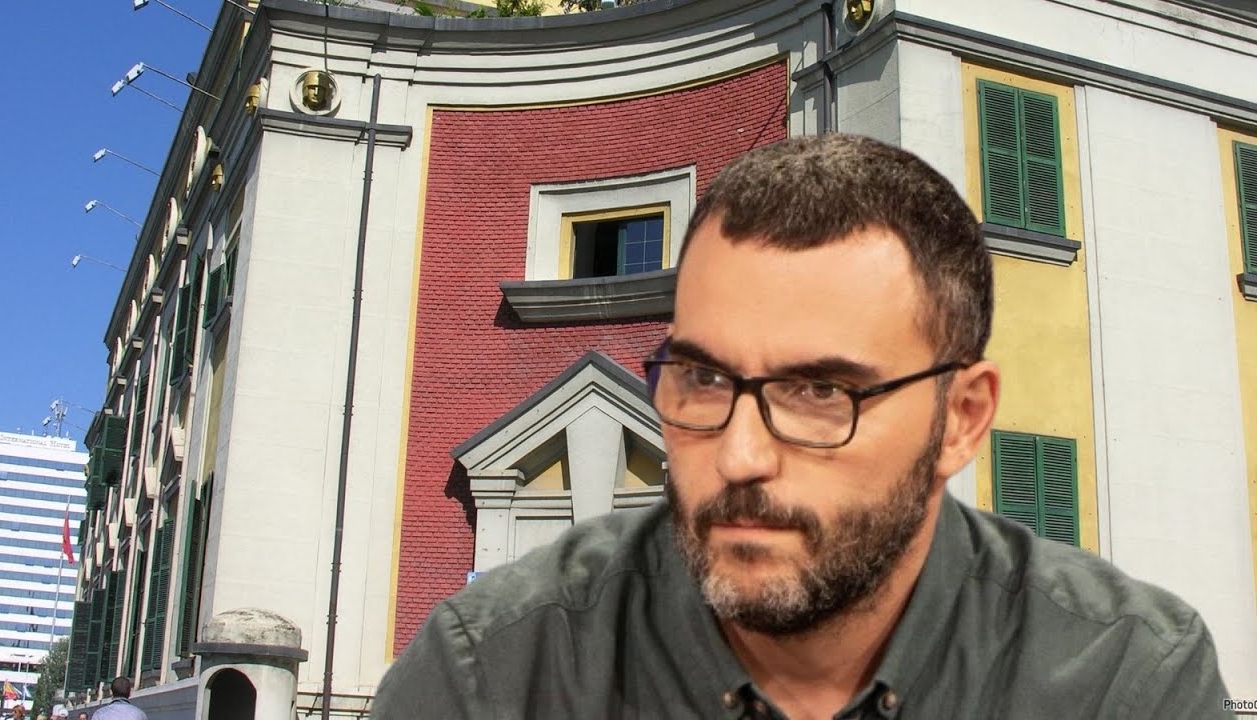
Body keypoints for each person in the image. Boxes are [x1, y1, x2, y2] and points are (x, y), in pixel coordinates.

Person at [372, 134, 1231, 718]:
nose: (740, 456)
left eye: (821, 391)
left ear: (961, 420)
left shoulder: (1122, 679)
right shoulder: (491, 674)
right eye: (703, 378)